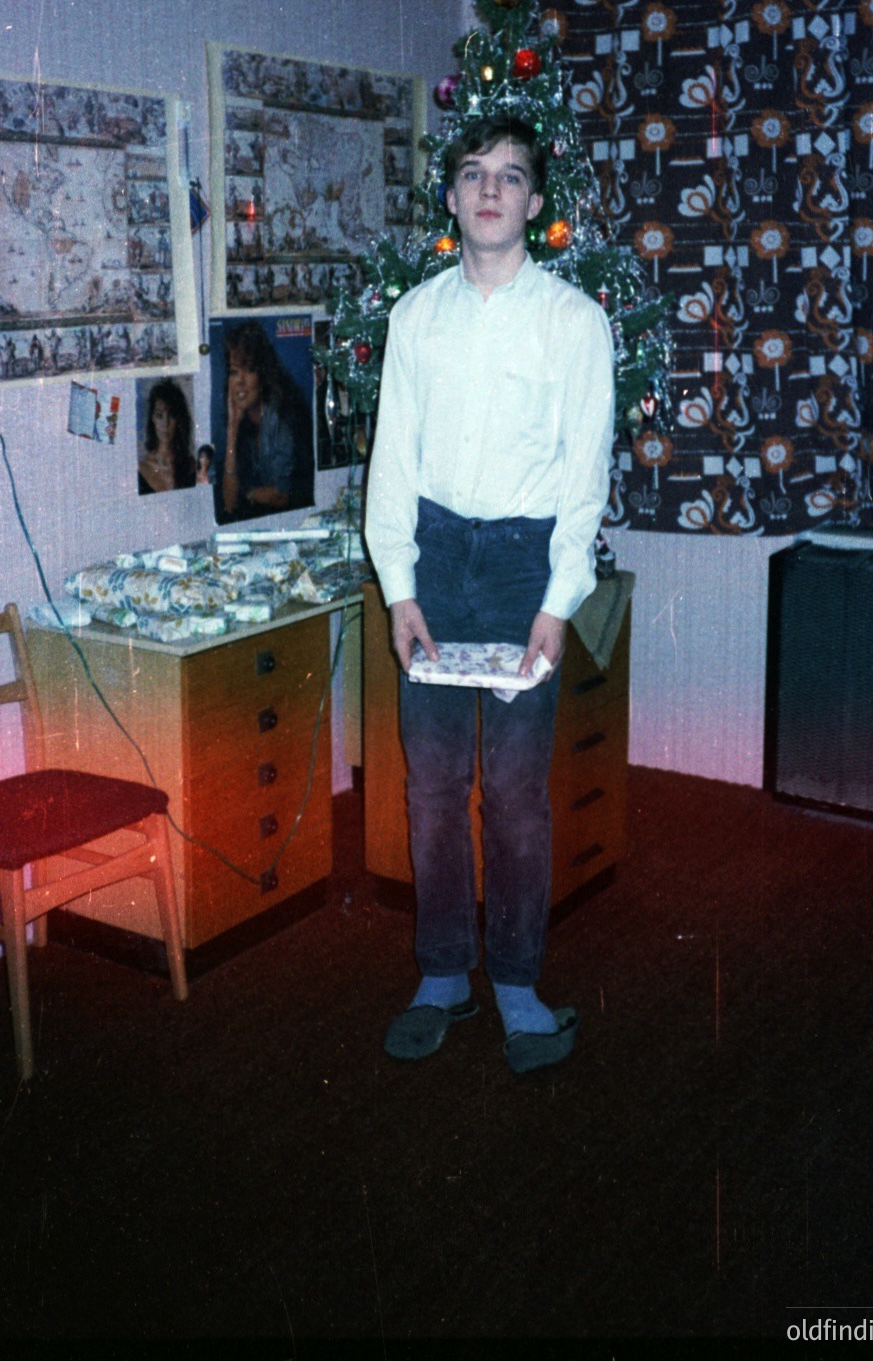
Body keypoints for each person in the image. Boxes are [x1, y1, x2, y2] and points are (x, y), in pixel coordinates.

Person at [365, 114, 615, 1074]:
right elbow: (392, 463)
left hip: (520, 567)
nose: (488, 190)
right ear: (450, 196)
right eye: (473, 173)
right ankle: (442, 975)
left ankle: (515, 983)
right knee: (431, 783)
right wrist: (399, 589)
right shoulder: (415, 316)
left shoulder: (573, 322)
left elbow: (583, 479)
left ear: (535, 202)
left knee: (512, 790)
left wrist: (556, 603)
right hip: (433, 557)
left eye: (509, 176)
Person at [219, 319, 310, 520]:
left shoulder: (280, 415)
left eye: (249, 369)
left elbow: (281, 495)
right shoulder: (242, 422)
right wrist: (232, 431)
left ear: (263, 373)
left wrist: (246, 495)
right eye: (234, 372)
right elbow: (230, 504)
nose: (240, 381)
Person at [138, 378, 196, 494]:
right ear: (152, 418)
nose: (165, 424)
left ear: (179, 420)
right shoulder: (141, 469)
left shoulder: (192, 466)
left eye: (172, 415)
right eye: (159, 415)